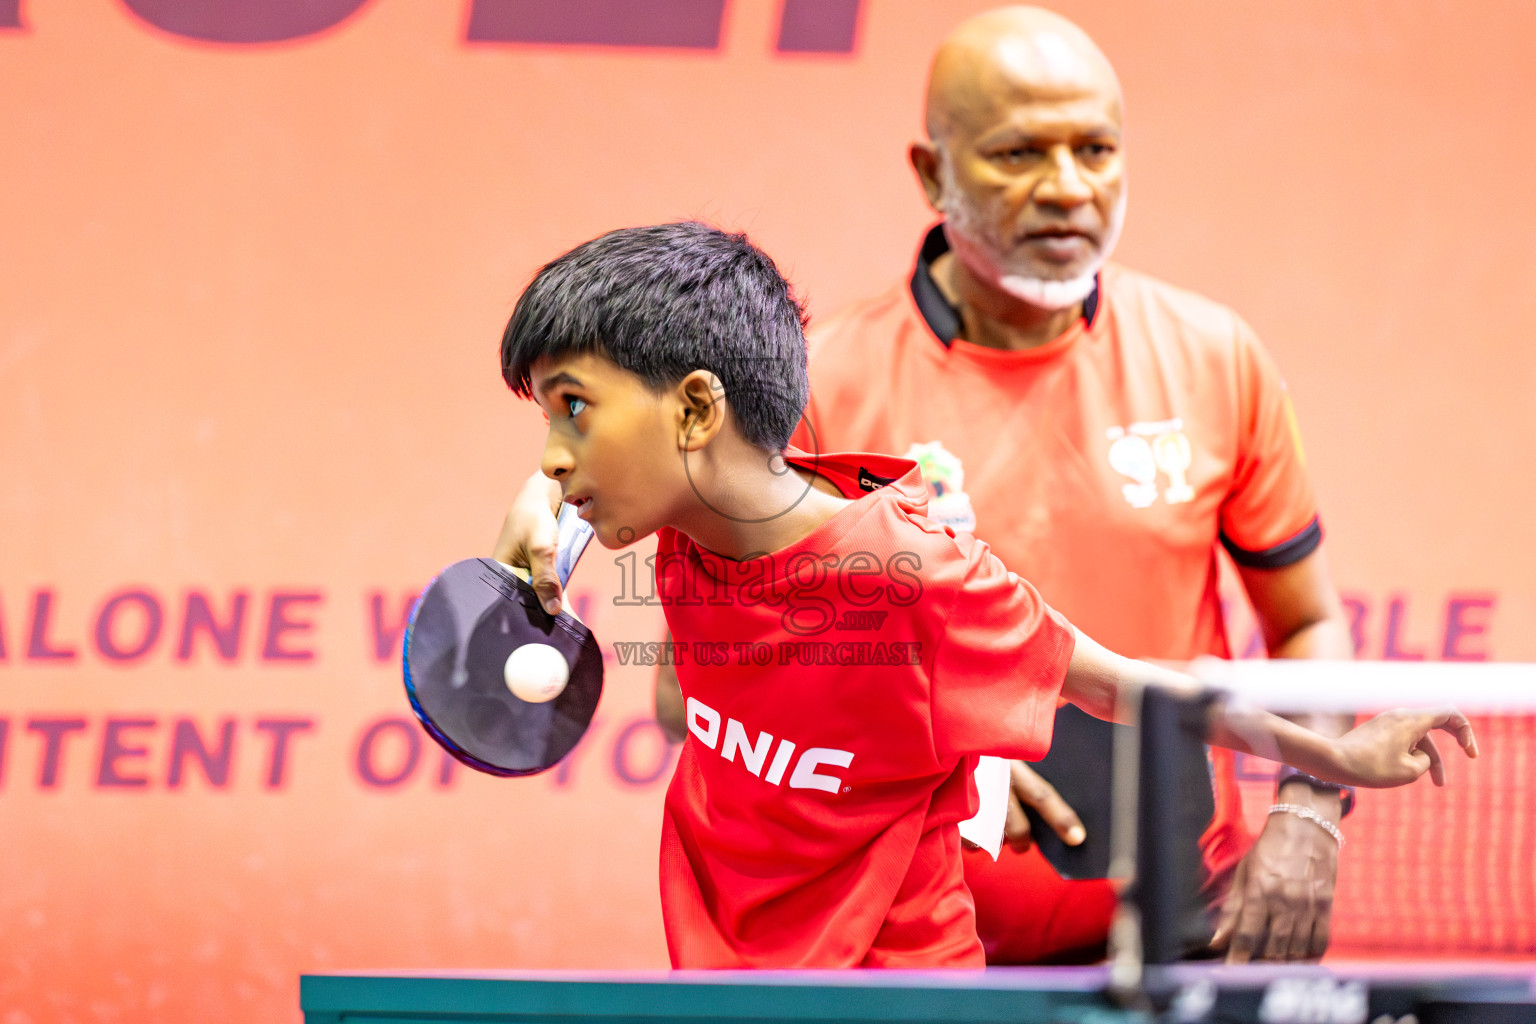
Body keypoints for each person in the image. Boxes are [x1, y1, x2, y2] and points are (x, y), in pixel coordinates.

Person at [494, 219, 1474, 969]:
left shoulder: (916, 575)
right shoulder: (675, 521)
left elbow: (1129, 689)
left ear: (700, 408)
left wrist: (1330, 756)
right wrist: (542, 501)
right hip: (733, 983)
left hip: (898, 989)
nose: (555, 451)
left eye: (572, 409)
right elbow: (637, 469)